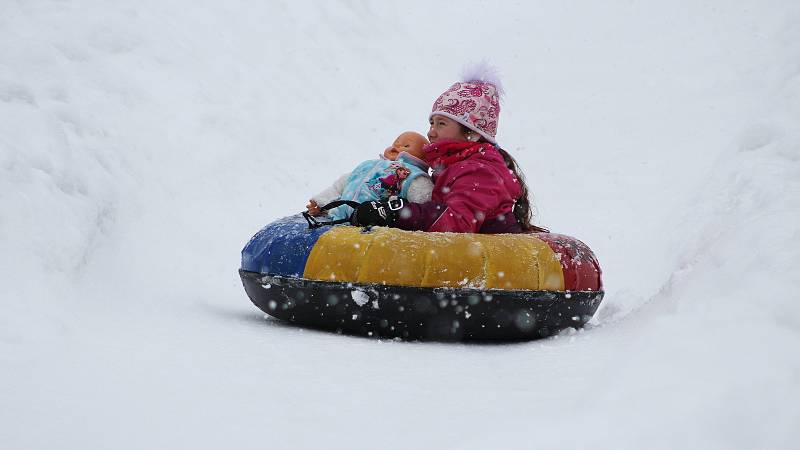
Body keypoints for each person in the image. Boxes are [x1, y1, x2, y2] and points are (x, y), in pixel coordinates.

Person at [351, 69, 546, 233]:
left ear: (472, 133)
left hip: (488, 267)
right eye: (431, 123)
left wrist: (398, 211)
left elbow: (456, 221)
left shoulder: (479, 170)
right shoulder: (452, 167)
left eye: (441, 124)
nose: (431, 132)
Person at [306, 131, 433, 221]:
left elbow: (424, 201)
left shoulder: (412, 175)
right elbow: (341, 185)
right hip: (339, 217)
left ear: (421, 158)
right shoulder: (369, 165)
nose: (397, 146)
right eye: (396, 142)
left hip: (372, 223)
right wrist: (321, 202)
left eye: (406, 145)